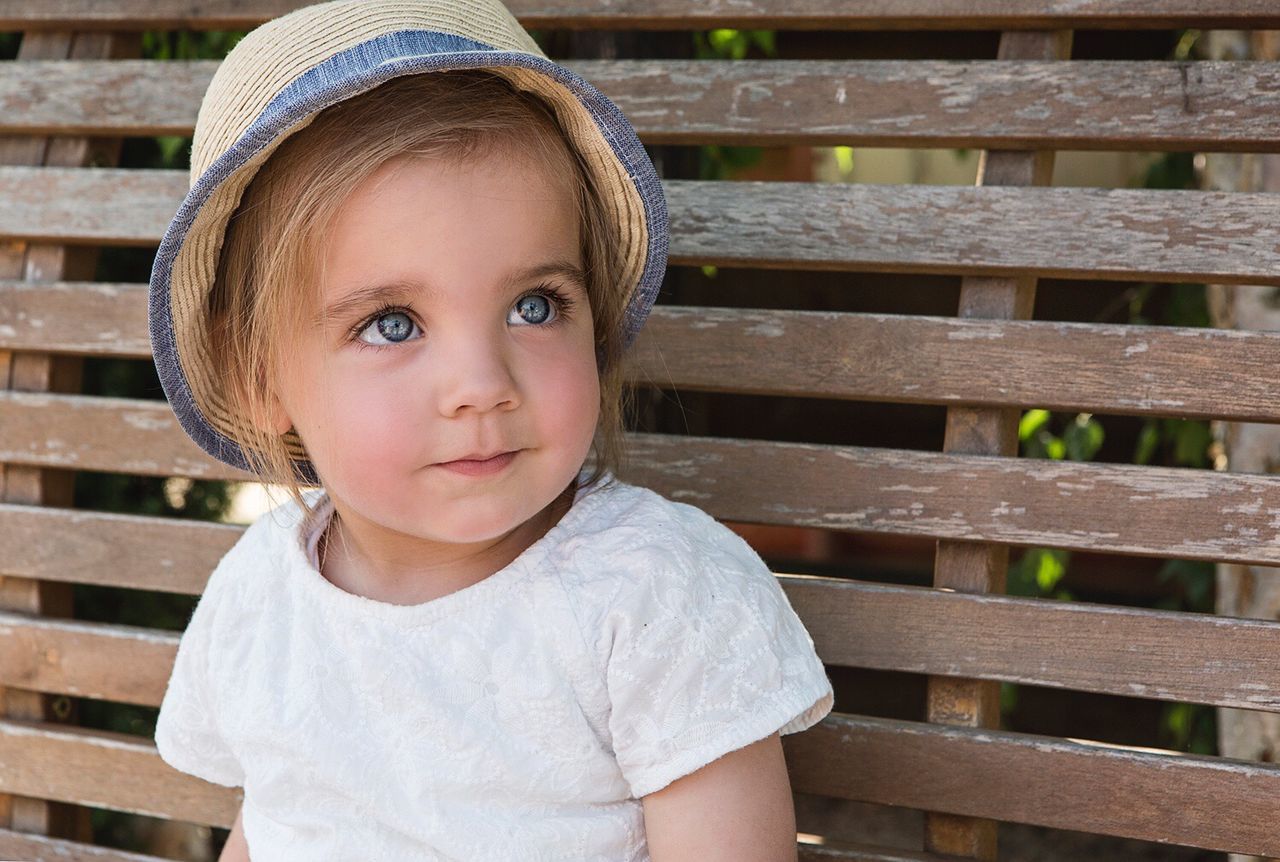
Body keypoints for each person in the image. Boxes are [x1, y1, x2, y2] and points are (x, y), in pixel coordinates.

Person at [148, 1, 835, 859]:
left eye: (534, 306)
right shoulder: (261, 595)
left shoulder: (654, 596)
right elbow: (277, 820)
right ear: (257, 375)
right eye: (392, 323)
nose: (482, 386)